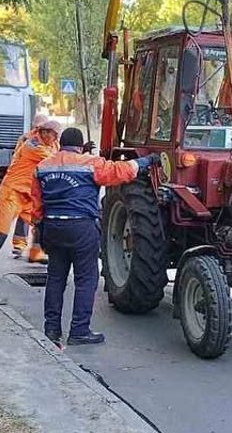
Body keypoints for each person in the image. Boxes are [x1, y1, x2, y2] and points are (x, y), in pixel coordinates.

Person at [33, 127, 157, 346]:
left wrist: (40, 229)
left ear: (61, 144)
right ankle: (79, 331)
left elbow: (36, 205)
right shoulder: (90, 164)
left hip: (52, 227)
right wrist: (146, 162)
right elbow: (121, 170)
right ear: (81, 147)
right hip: (81, 227)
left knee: (55, 278)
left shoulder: (42, 167)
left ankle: (51, 329)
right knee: (85, 279)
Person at [0, 114, 60, 273]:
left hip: (28, 194)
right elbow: (56, 161)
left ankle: (36, 254)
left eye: (49, 132)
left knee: (40, 224)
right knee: (2, 230)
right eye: (43, 131)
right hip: (13, 192)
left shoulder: (52, 144)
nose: (46, 134)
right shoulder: (32, 145)